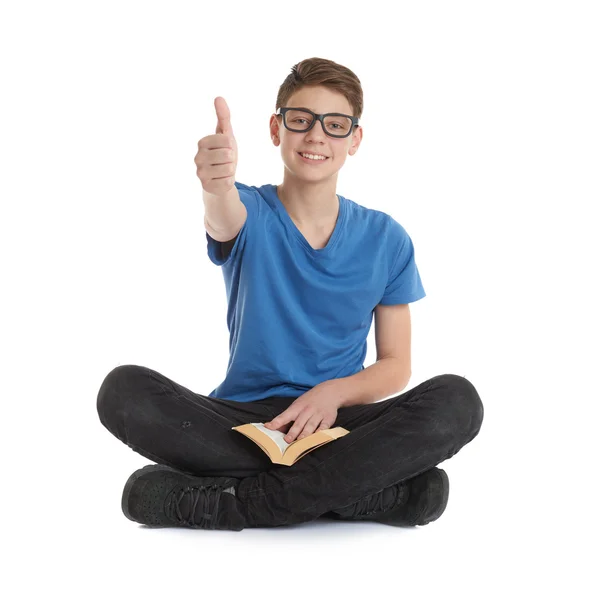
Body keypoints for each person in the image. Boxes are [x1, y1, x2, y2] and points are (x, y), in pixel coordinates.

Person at [97, 57, 484, 531]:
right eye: (301, 120)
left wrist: (331, 394)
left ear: (355, 139)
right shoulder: (249, 210)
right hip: (243, 424)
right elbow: (224, 215)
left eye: (335, 125)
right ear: (277, 129)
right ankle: (366, 495)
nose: (316, 136)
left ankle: (240, 503)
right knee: (123, 390)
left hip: (339, 424)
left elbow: (395, 365)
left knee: (458, 401)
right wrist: (215, 186)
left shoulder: (388, 238)